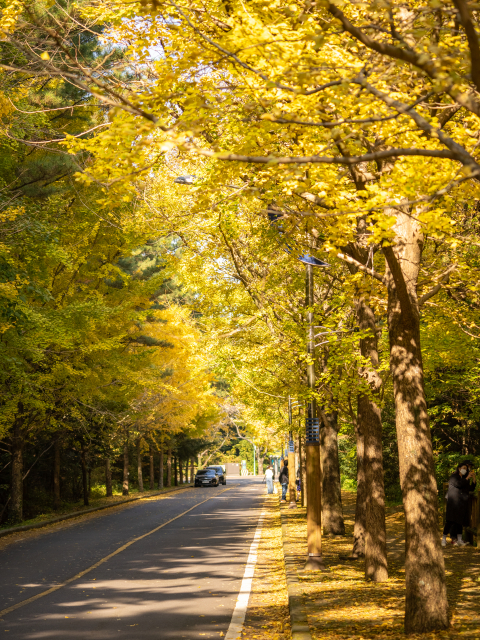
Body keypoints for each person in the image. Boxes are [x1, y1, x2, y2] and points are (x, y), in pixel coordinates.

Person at [442, 460, 476, 547]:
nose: (465, 470)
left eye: (466, 468)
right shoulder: (454, 477)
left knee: (459, 522)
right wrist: (468, 477)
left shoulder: (464, 479)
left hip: (461, 503)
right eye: (463, 468)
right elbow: (458, 484)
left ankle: (460, 539)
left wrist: (474, 478)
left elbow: (470, 489)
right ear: (459, 468)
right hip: (453, 503)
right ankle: (444, 538)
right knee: (449, 521)